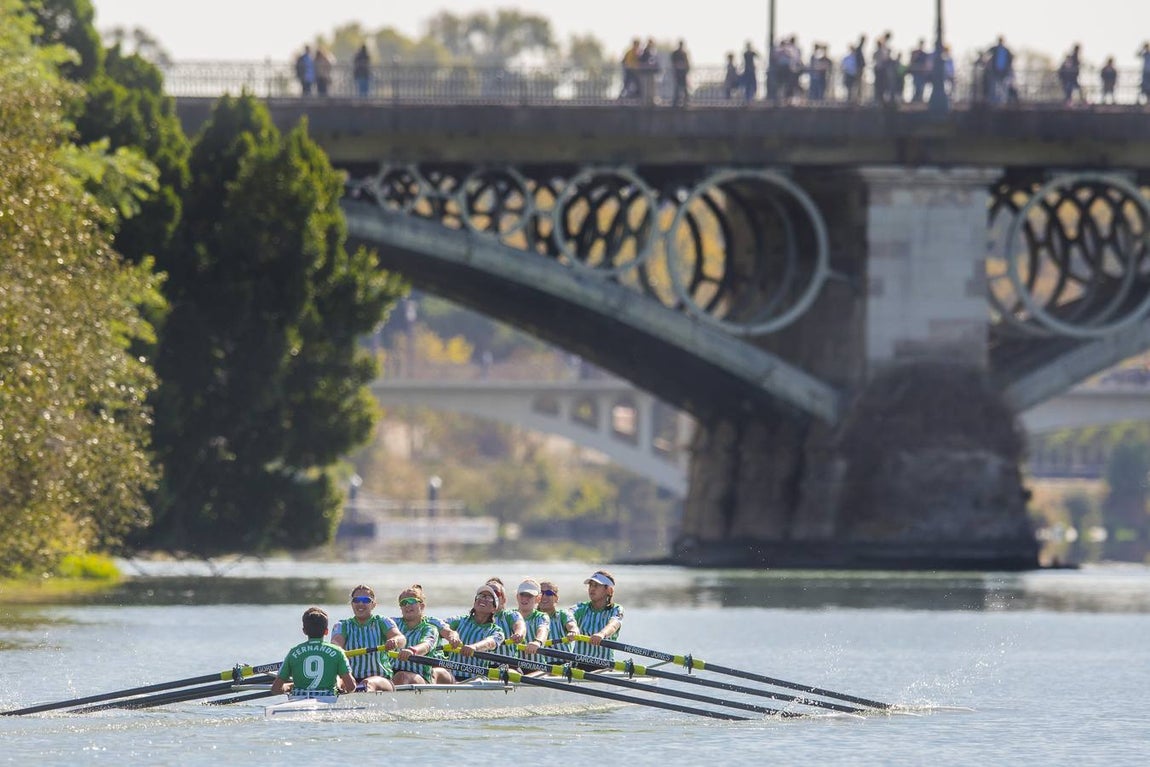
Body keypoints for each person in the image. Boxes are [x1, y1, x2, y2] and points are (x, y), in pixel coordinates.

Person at [330, 584, 403, 692]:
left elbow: (401, 638)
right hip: (352, 680)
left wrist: (395, 641)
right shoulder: (342, 625)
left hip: (381, 680)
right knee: (336, 681)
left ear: (373, 604)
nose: (360, 603)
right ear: (352, 604)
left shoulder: (382, 621)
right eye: (356, 600)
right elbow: (336, 644)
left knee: (367, 684)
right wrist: (338, 649)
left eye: (365, 600)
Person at [270, 607, 356, 697]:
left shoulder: (293, 652)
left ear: (304, 631)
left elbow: (275, 689)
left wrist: (289, 687)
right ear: (326, 631)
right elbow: (351, 687)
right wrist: (339, 684)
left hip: (299, 700)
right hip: (328, 700)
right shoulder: (337, 652)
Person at [442, 584, 506, 681]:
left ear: (494, 608)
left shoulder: (496, 631)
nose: (483, 599)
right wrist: (451, 635)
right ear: (475, 602)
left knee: (478, 681)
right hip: (453, 677)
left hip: (477, 679)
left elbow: (490, 643)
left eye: (488, 598)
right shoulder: (459, 621)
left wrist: (474, 647)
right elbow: (440, 626)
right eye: (480, 596)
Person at [391, 584, 451, 685]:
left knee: (401, 676)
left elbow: (426, 645)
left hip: (420, 675)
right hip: (392, 673)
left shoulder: (429, 628)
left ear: (422, 606)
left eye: (412, 601)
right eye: (403, 603)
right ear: (400, 608)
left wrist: (412, 650)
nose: (407, 605)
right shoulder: (393, 624)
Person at [567, 569, 624, 667]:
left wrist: (602, 634)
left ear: (609, 590)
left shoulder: (616, 609)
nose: (592, 589)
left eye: (596, 585)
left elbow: (613, 625)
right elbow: (566, 616)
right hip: (578, 664)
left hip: (604, 666)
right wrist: (572, 630)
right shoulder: (581, 608)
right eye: (590, 585)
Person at [513, 578, 551, 659]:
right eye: (522, 594)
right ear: (517, 596)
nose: (524, 598)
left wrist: (537, 642)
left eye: (529, 595)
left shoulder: (542, 617)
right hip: (514, 666)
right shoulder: (509, 616)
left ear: (538, 598)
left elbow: (543, 630)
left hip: (537, 667)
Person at [538, 579, 578, 644]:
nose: (544, 596)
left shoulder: (563, 614)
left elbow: (572, 626)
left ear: (556, 598)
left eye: (549, 593)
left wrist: (573, 632)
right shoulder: (531, 616)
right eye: (541, 593)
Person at [670, 40, 690, 107]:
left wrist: (686, 69)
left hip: (683, 73)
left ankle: (685, 101)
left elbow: (687, 63)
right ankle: (676, 101)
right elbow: (673, 62)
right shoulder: (675, 53)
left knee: (684, 88)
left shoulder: (684, 53)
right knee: (677, 87)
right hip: (678, 72)